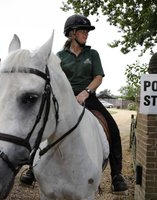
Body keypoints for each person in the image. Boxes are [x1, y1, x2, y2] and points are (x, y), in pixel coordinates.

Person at [21, 14, 128, 193]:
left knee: (113, 127)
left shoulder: (92, 54)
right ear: (72, 34)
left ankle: (117, 175)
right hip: (64, 98)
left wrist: (86, 92)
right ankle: (33, 167)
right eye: (83, 31)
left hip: (88, 96)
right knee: (43, 123)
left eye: (87, 31)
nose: (86, 34)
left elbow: (98, 77)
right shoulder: (60, 56)